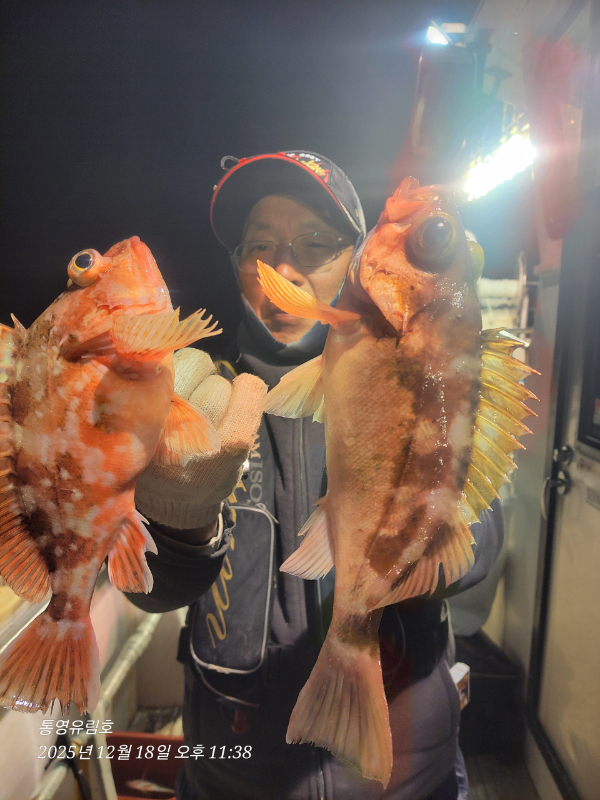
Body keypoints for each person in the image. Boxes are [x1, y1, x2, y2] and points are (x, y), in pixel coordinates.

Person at [129, 150, 503, 800]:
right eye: (259, 247)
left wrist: (413, 541)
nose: (283, 270)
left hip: (405, 776)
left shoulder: (437, 368)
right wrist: (178, 522)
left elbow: (485, 543)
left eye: (315, 243)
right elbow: (152, 590)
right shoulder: (199, 398)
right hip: (234, 777)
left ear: (354, 258)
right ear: (237, 265)